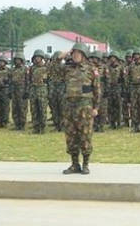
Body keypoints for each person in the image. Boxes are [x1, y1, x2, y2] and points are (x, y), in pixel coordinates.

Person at [59, 43, 101, 174]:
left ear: (83, 55)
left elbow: (97, 89)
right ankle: (74, 164)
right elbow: (52, 71)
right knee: (71, 136)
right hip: (69, 107)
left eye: (78, 53)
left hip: (85, 106)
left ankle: (86, 164)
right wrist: (60, 58)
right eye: (74, 53)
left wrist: (96, 107)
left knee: (85, 135)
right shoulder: (67, 69)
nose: (75, 56)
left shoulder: (91, 69)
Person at [29, 50, 49, 134]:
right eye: (36, 57)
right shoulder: (32, 68)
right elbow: (29, 79)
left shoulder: (46, 68)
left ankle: (43, 127)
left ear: (42, 58)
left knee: (42, 109)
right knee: (34, 109)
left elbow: (49, 80)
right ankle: (35, 127)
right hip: (33, 89)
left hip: (42, 90)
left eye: (38, 57)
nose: (37, 59)